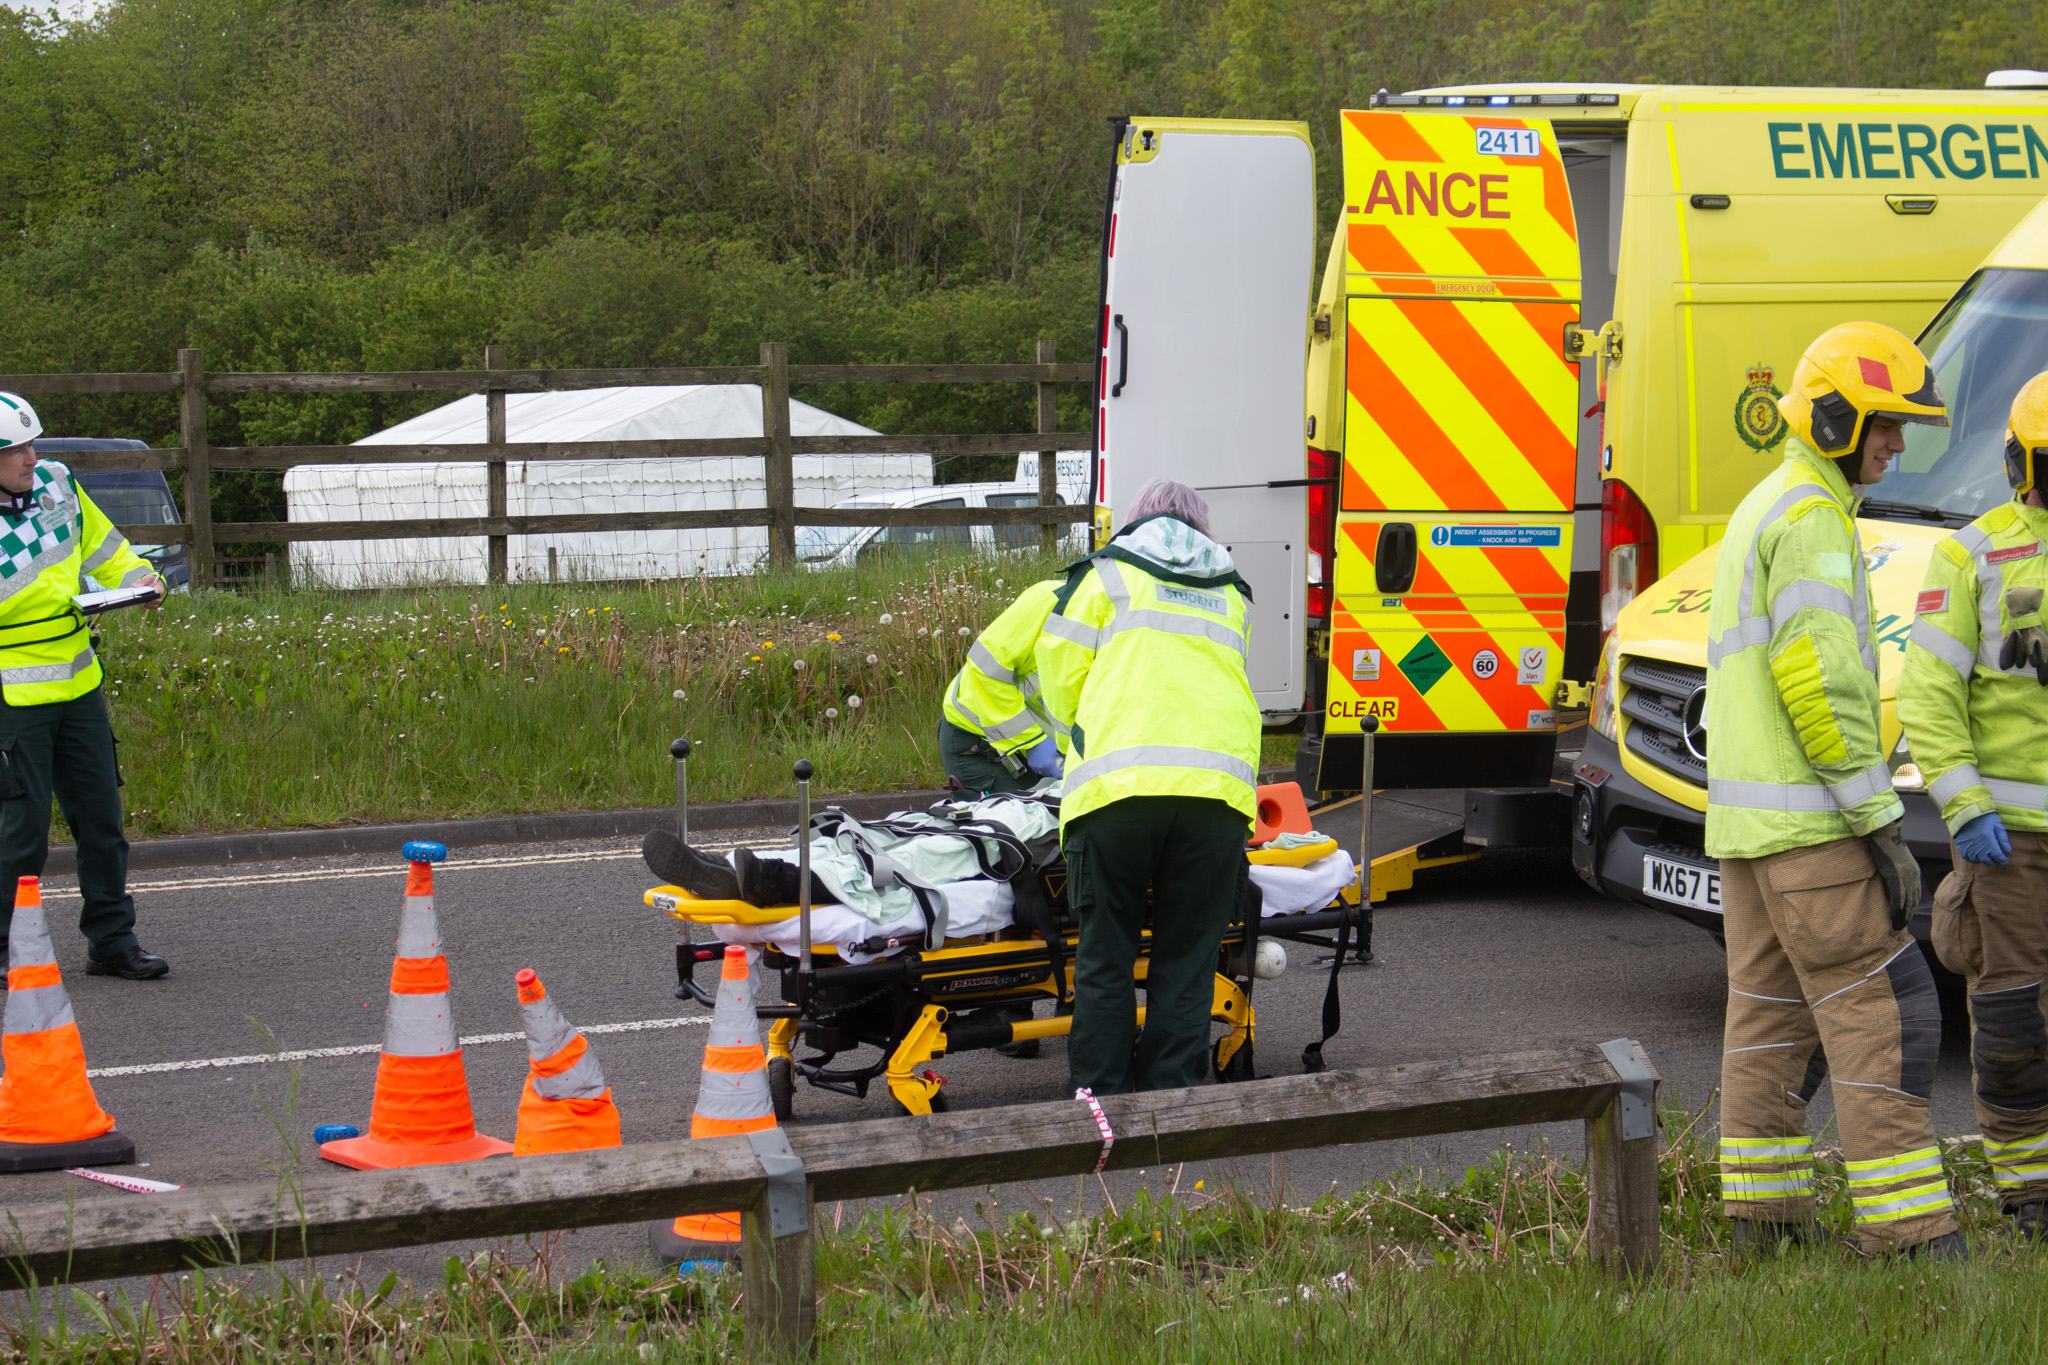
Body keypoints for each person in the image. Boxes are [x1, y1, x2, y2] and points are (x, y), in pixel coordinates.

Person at [1704, 322, 1963, 1259]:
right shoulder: (1813, 518)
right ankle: (1915, 1239)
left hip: (1748, 831)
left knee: (1767, 1023)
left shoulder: (1765, 505)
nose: (1897, 444)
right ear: (1835, 416)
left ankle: (1763, 1229)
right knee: (1887, 1012)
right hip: (1813, 828)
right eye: (1886, 425)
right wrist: (1879, 820)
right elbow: (1819, 682)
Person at [1036, 478, 1259, 1095]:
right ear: (1202, 526)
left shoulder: (1106, 574)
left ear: (1136, 519)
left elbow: (1058, 671)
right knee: (1187, 959)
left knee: (1107, 954)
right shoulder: (1232, 590)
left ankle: (1102, 1100)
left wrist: (1084, 734)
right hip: (1217, 794)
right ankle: (1170, 1097)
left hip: (1117, 790)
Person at [1900, 369, 2048, 1237]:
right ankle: (2031, 1192)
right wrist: (1964, 804)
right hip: (2011, 844)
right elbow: (1928, 693)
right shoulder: (1974, 553)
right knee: (2013, 1016)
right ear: (2016, 463)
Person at [0, 394, 168, 979]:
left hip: (79, 685)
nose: (30, 457)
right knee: (20, 838)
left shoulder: (57, 484)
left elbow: (108, 549)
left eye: (31, 443)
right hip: (13, 699)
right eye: (14, 449)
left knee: (102, 821)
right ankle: (3, 948)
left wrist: (138, 578)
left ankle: (112, 940)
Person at [938, 578, 1068, 795]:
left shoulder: (1128, 619)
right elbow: (988, 668)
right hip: (981, 739)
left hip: (1048, 749)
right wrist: (1032, 742)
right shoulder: (1052, 599)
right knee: (1011, 824)